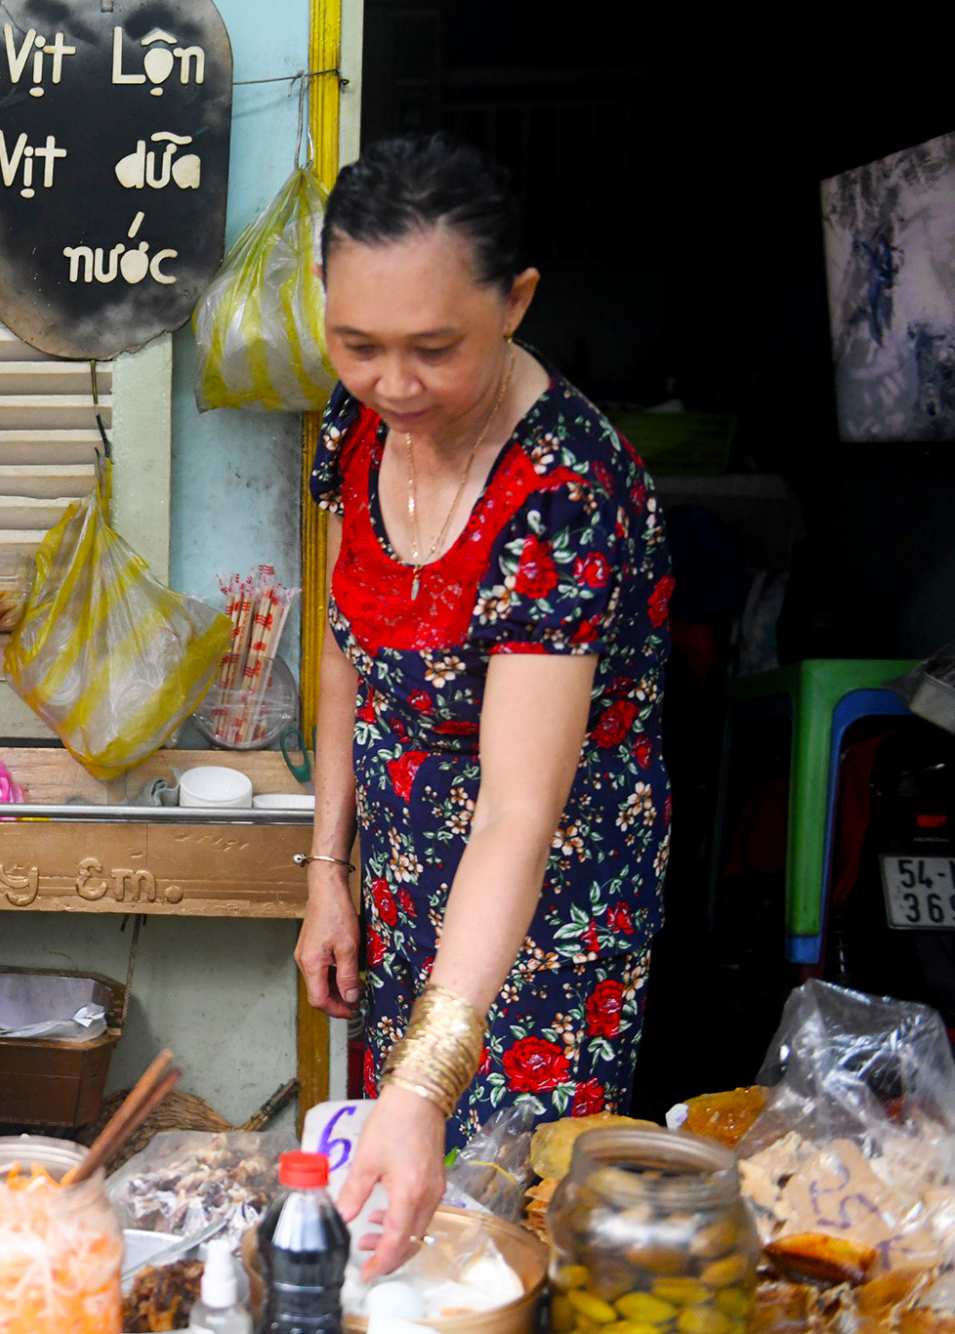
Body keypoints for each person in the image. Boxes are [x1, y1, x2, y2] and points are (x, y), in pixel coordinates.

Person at [291, 135, 672, 1276]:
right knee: (397, 1217)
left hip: (547, 918)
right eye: (357, 343)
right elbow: (342, 642)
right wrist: (327, 870)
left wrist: (423, 1074)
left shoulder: (563, 489)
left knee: (504, 1228)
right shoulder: (350, 424)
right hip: (408, 880)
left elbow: (515, 809)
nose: (392, 385)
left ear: (515, 303)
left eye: (432, 348)